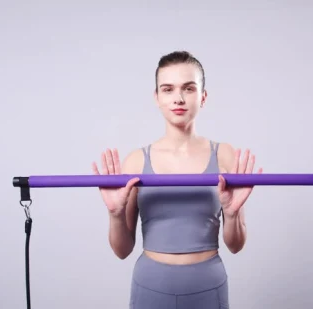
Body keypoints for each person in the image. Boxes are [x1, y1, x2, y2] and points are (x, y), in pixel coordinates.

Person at [92, 51, 262, 309]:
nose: (179, 98)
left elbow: (236, 245)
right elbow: (122, 250)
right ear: (157, 97)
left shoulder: (225, 155)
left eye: (189, 88)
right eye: (168, 89)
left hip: (207, 284)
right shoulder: (136, 161)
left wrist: (232, 213)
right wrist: (115, 215)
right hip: (151, 284)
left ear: (203, 96)